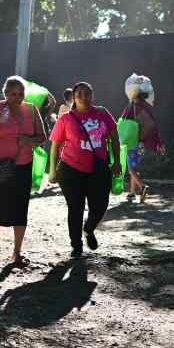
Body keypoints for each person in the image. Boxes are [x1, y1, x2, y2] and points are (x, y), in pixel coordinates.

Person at [0, 76, 46, 266]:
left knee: (20, 208)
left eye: (21, 93)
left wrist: (28, 140)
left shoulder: (31, 109)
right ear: (5, 94)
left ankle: (17, 252)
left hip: (22, 165)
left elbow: (42, 137)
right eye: (13, 94)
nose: (17, 97)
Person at [48, 81, 122, 258]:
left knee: (101, 205)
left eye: (87, 92)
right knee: (75, 208)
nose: (84, 96)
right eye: (79, 93)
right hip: (71, 169)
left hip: (99, 167)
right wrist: (52, 170)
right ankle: (76, 246)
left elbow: (114, 138)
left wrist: (117, 161)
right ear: (73, 97)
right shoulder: (66, 119)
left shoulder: (103, 113)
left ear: (92, 95)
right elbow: (55, 145)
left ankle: (88, 229)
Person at [121, 78, 165, 203]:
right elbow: (153, 126)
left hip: (132, 143)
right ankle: (131, 193)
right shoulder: (146, 108)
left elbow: (122, 122)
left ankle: (143, 186)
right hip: (142, 145)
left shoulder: (132, 107)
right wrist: (158, 143)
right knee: (133, 167)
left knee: (130, 169)